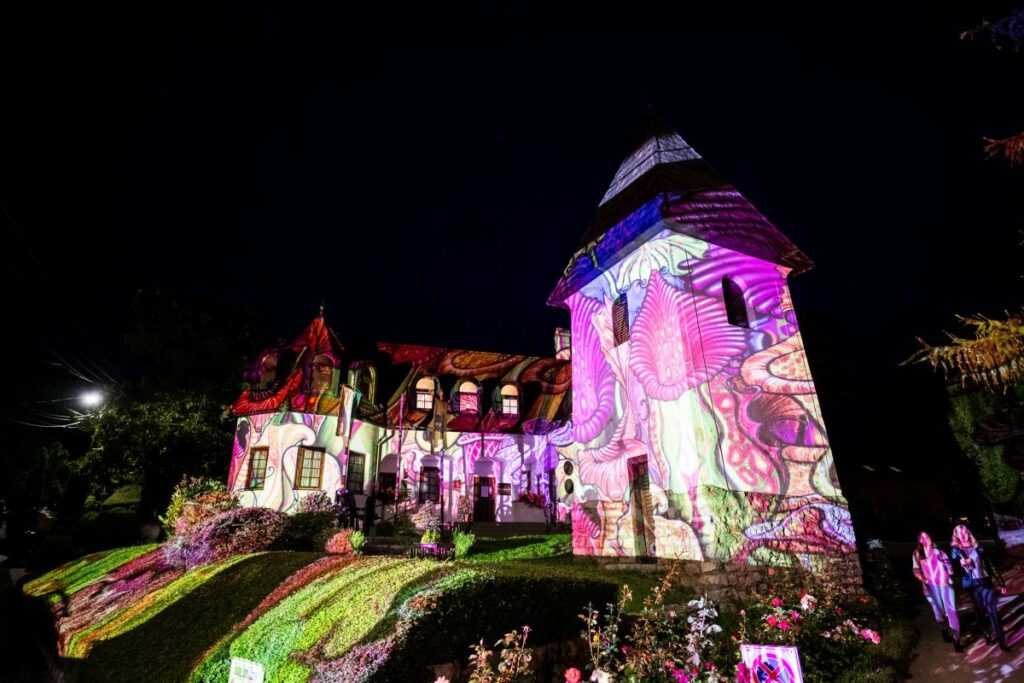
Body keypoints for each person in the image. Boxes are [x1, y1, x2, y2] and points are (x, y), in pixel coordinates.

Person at [951, 524, 1009, 651]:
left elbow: (990, 565)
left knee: (992, 610)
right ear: (956, 536)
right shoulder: (956, 551)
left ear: (968, 533)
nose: (963, 535)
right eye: (960, 533)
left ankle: (1002, 641)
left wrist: (1001, 582)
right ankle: (987, 634)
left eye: (965, 532)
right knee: (980, 612)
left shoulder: (978, 547)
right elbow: (953, 570)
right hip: (972, 586)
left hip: (984, 581)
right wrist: (960, 563)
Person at [913, 531, 962, 651]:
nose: (925, 539)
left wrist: (949, 572)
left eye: (927, 536)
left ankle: (956, 640)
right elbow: (916, 570)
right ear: (919, 541)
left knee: (951, 611)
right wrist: (923, 578)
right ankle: (943, 629)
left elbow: (949, 567)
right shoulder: (917, 554)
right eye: (922, 537)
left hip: (945, 585)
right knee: (938, 612)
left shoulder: (939, 551)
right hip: (931, 587)